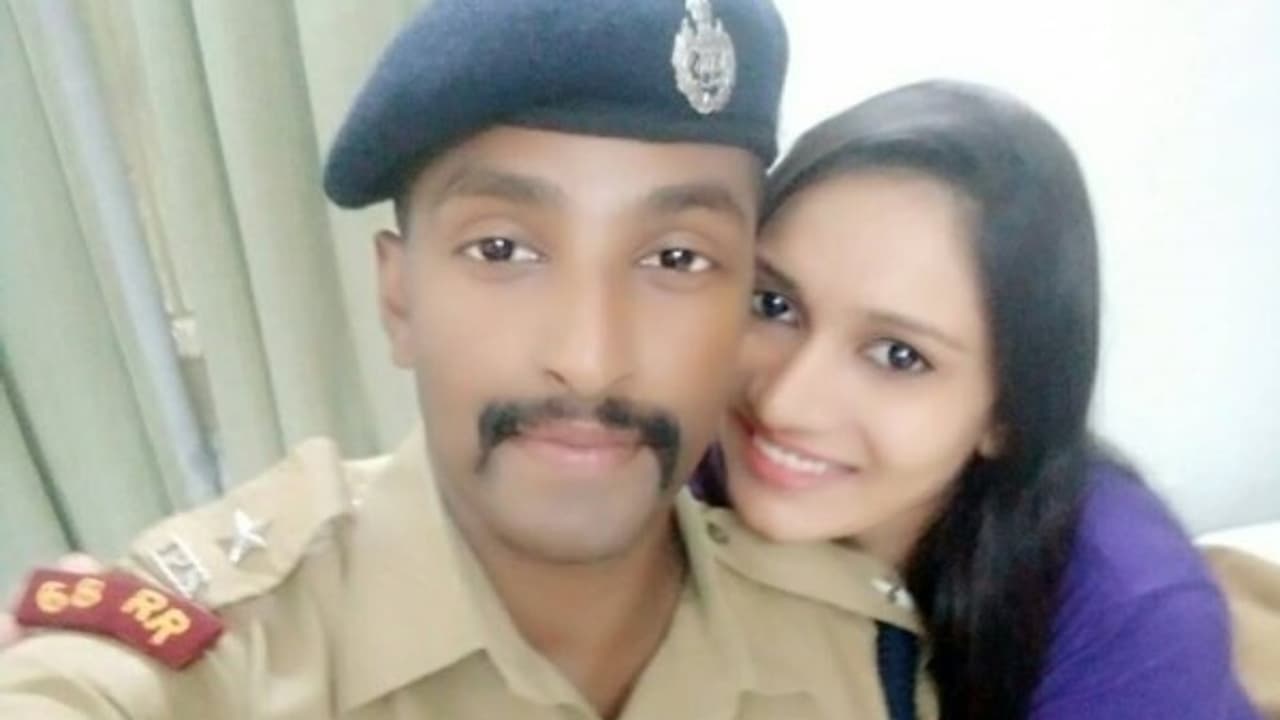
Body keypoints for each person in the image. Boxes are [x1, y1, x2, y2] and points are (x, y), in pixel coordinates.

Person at [0, 1, 934, 718]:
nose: (591, 360)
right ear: (399, 298)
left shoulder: (862, 654)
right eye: (503, 249)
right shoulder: (230, 645)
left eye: (677, 259)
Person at [699, 80, 1261, 718]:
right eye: (773, 304)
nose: (783, 403)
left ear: (1009, 411)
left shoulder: (1129, 617)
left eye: (898, 356)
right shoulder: (682, 460)